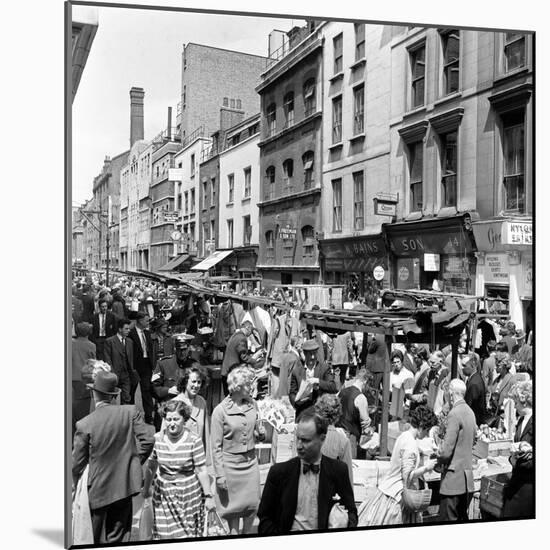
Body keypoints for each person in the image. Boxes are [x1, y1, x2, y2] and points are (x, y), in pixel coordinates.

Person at [72, 370, 154, 544]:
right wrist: (132, 461)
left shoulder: (85, 424)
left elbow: (76, 464)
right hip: (124, 487)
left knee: (93, 538)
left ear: (95, 393)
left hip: (97, 490)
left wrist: (73, 485)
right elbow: (147, 439)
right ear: (113, 395)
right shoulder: (130, 412)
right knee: (118, 538)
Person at [257, 408, 357, 534]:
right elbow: (265, 518)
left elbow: (352, 512)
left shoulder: (338, 471)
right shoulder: (279, 473)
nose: (299, 445)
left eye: (305, 440)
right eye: (297, 438)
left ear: (322, 439)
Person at [142, 400, 215, 539]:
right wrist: (146, 489)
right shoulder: (157, 439)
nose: (172, 423)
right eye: (168, 419)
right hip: (163, 496)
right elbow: (151, 466)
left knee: (186, 536)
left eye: (176, 419)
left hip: (188, 496)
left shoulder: (194, 440)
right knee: (163, 535)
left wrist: (209, 496)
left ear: (184, 419)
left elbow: (201, 470)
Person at [357, 405, 439, 526]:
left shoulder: (404, 436)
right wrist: (426, 468)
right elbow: (407, 476)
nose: (426, 435)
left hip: (387, 489)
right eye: (427, 431)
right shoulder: (410, 445)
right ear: (422, 427)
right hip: (397, 496)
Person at [211, 366, 265, 535]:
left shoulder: (253, 404)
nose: (252, 387)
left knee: (252, 505)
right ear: (237, 386)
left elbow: (256, 434)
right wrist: (219, 475)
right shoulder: (220, 411)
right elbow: (215, 446)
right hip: (230, 467)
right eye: (248, 384)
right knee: (233, 510)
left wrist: (260, 434)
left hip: (250, 463)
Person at [436, 379, 477, 522]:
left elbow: (446, 451)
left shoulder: (454, 413)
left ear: (451, 394)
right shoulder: (470, 412)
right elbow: (474, 440)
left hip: (453, 481)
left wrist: (437, 457)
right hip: (466, 480)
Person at [502, 381, 534, 518]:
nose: (514, 406)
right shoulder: (521, 420)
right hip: (516, 480)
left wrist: (522, 456)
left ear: (523, 400)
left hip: (528, 485)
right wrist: (512, 458)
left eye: (515, 401)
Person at [289, 339, 337, 418]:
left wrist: (318, 381)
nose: (313, 357)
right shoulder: (296, 370)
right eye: (310, 354)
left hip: (320, 413)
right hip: (302, 412)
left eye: (314, 353)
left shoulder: (324, 368)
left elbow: (333, 387)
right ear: (304, 354)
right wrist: (296, 402)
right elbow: (292, 393)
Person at [314, 394, 353, 485]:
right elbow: (348, 479)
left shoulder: (306, 435)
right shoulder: (343, 442)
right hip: (330, 494)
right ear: (338, 414)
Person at [173, 367, 210, 456]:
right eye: (193, 381)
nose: (196, 385)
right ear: (185, 382)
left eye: (199, 382)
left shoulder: (202, 402)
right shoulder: (175, 403)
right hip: (180, 458)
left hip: (198, 458)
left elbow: (206, 435)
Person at [337, 368, 372, 458]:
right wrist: (369, 421)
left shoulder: (341, 392)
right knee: (350, 467)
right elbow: (365, 423)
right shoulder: (361, 397)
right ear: (365, 381)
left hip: (337, 434)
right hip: (350, 438)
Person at [103, 317, 139, 404]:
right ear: (119, 329)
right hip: (114, 375)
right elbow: (107, 359)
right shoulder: (110, 341)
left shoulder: (130, 342)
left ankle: (124, 416)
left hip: (127, 375)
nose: (128, 331)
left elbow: (131, 359)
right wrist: (112, 373)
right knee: (109, 400)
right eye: (126, 329)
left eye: (129, 329)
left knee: (126, 398)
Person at [221, 320, 262, 396]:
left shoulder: (236, 335)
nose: (251, 334)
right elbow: (244, 356)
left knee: (229, 397)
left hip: (227, 371)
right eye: (251, 331)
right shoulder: (241, 338)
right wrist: (254, 361)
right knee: (232, 397)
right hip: (231, 372)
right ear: (248, 328)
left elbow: (240, 352)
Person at [128, 312, 154, 424]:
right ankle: (130, 415)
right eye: (146, 320)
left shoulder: (147, 333)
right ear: (140, 321)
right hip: (135, 365)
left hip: (146, 364)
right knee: (131, 391)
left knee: (147, 391)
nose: (148, 323)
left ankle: (149, 416)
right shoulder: (131, 334)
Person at [72, 322, 96, 435]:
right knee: (83, 412)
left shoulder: (71, 343)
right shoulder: (91, 345)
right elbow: (93, 364)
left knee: (73, 410)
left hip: (71, 379)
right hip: (84, 380)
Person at [462, 352, 487, 426]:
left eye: (464, 366)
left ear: (472, 366)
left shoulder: (474, 383)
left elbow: (469, 406)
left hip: (474, 422)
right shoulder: (474, 378)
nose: (462, 368)